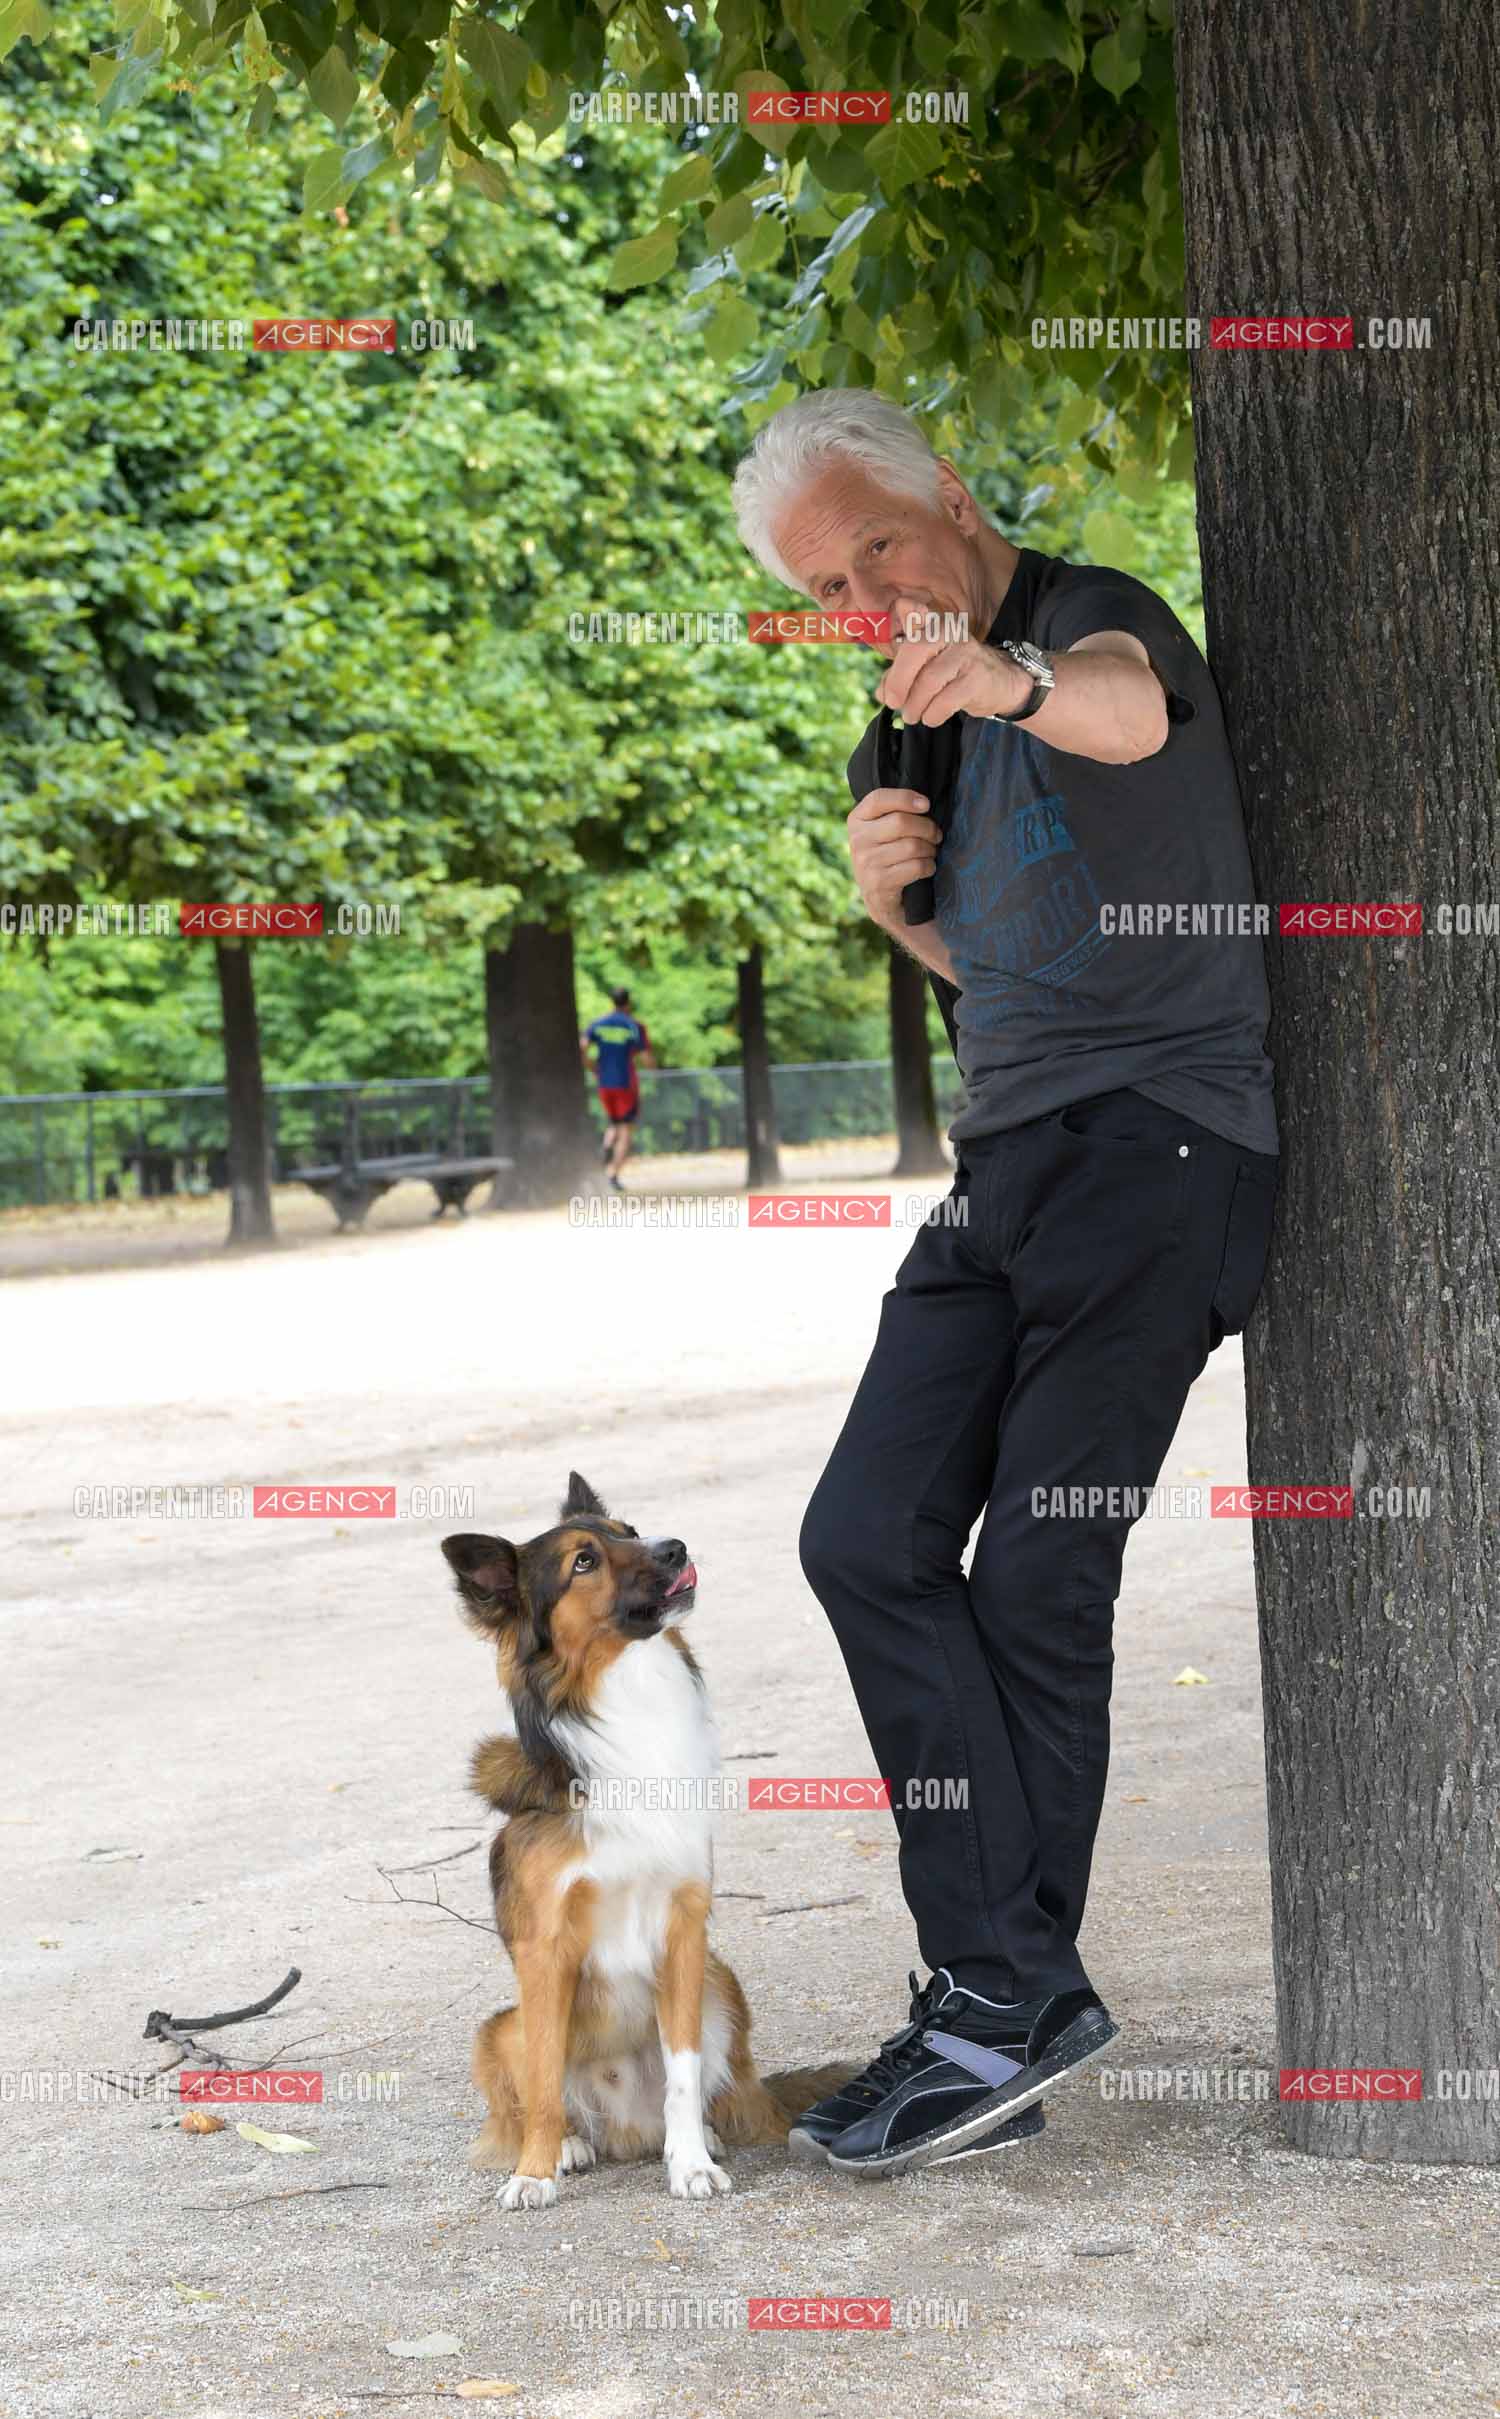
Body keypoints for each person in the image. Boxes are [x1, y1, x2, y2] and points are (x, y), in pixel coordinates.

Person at [729, 388, 1280, 2176]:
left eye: (880, 542)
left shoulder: (1086, 615)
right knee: (863, 1534)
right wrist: (901, 914)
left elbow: (1122, 710)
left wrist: (1017, 686)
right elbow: (1002, 979)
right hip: (1013, 1166)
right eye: (831, 581)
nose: (870, 593)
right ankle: (1013, 1990)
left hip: (1172, 1149)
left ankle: (987, 1997)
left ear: (949, 495)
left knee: (1042, 1565)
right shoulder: (895, 742)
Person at [581, 987, 655, 1191]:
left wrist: (592, 1066)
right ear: (628, 1003)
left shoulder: (598, 1024)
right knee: (625, 1130)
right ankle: (612, 1176)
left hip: (604, 1083)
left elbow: (583, 1046)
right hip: (625, 1083)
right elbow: (646, 1058)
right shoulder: (634, 1026)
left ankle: (604, 1150)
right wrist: (653, 1068)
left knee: (614, 1124)